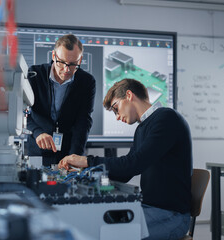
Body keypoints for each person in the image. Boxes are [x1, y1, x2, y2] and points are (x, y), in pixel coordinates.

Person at [58, 78, 192, 240]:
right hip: (149, 208)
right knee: (95, 224)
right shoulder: (143, 127)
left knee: (105, 234)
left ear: (129, 95)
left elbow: (132, 165)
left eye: (116, 108)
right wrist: (83, 172)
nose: (117, 116)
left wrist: (87, 161)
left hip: (171, 216)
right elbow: (124, 173)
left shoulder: (167, 119)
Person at [27, 34, 96, 166]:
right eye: (61, 62)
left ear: (80, 60)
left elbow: (83, 121)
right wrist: (37, 132)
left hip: (68, 151)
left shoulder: (87, 82)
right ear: (53, 56)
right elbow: (23, 113)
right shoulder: (34, 74)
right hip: (37, 150)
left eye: (72, 64)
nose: (66, 70)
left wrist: (74, 156)